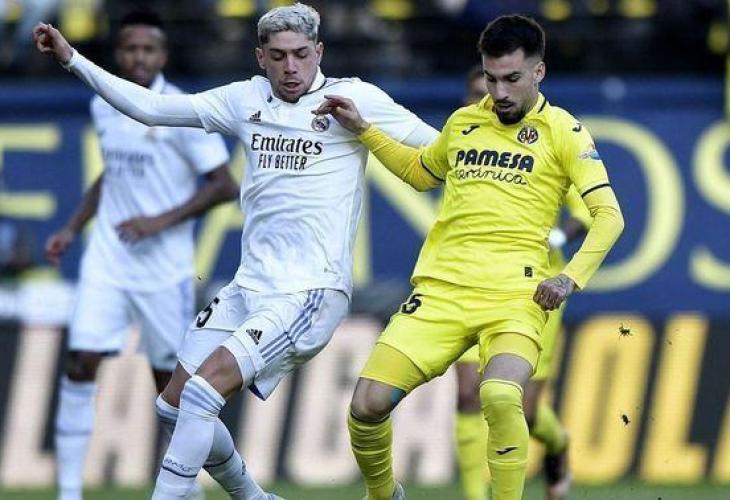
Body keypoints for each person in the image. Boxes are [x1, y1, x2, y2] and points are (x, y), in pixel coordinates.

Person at [33, 3, 438, 499]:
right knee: (172, 405)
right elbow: (152, 108)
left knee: (203, 393)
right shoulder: (244, 98)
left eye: (301, 54)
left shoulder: (354, 98)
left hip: (310, 291)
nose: (291, 67)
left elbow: (439, 150)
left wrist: (373, 133)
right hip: (249, 287)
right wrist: (72, 58)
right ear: (260, 58)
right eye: (278, 56)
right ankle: (254, 496)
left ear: (320, 52)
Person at [316, 14, 624, 500]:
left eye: (511, 79)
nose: (499, 92)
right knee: (366, 406)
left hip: (515, 297)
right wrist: (365, 130)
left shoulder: (565, 131)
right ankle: (383, 494)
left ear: (539, 72)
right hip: (441, 293)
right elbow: (421, 173)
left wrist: (568, 278)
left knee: (500, 395)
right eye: (491, 78)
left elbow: (609, 216)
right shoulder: (464, 122)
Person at [43, 11, 237, 500]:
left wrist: (159, 221)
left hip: (164, 271)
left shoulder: (182, 112)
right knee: (80, 361)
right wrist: (71, 228)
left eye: (148, 49)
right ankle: (68, 490)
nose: (139, 57)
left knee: (169, 389)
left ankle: (187, 487)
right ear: (119, 53)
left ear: (163, 56)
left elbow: (223, 185)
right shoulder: (105, 103)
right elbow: (111, 174)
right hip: (108, 260)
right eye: (131, 48)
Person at [452, 66, 589, 500]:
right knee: (467, 394)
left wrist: (556, 238)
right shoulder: (463, 140)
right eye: (477, 92)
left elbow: (586, 212)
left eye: (494, 89)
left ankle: (557, 442)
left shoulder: (545, 140)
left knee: (521, 410)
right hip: (471, 283)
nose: (489, 98)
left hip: (533, 289)